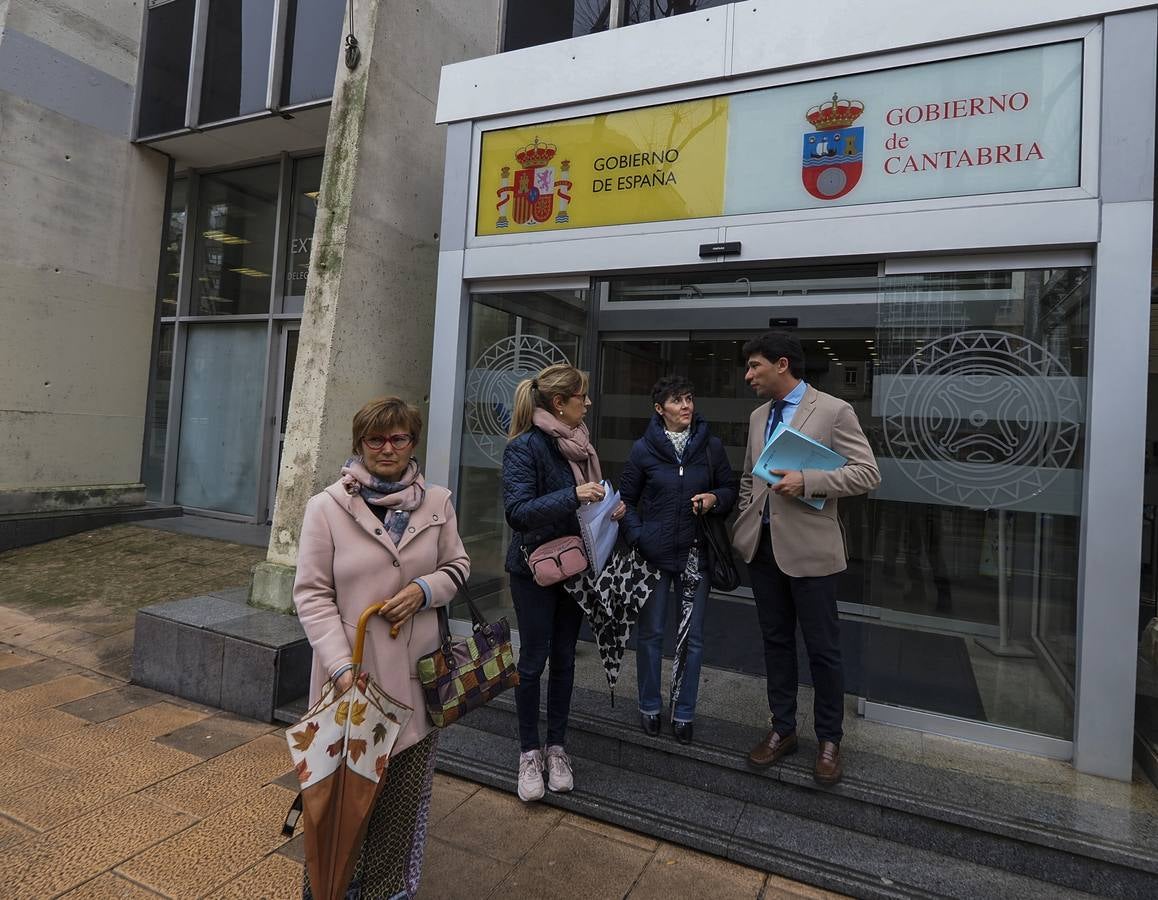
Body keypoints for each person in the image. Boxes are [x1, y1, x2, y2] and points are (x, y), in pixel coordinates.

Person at [294, 397, 470, 899]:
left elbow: (457, 567)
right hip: (351, 686)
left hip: (415, 688)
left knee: (398, 810)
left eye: (398, 439)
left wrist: (424, 590)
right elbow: (311, 594)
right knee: (337, 808)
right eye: (376, 439)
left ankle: (387, 892)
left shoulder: (438, 501)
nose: (387, 448)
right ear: (360, 444)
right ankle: (327, 890)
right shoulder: (327, 507)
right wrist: (341, 666)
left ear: (413, 443)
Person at [731, 332, 880, 786]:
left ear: (781, 364)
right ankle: (783, 729)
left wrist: (808, 480)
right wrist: (744, 518)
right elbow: (747, 476)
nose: (748, 375)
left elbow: (867, 472)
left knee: (823, 649)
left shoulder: (833, 409)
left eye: (754, 366)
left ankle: (829, 740)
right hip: (763, 549)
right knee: (775, 643)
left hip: (811, 553)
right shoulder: (758, 416)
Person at [502, 363, 624, 802]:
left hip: (575, 568)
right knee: (533, 661)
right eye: (581, 397)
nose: (587, 403)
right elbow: (517, 512)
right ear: (559, 403)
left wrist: (609, 507)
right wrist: (575, 496)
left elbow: (584, 506)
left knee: (566, 660)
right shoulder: (526, 447)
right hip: (535, 571)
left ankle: (557, 748)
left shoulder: (581, 444)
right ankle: (528, 753)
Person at [620, 375, 736, 745]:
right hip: (654, 556)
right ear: (659, 410)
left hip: (695, 555)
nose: (686, 405)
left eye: (689, 398)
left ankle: (683, 713)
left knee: (692, 638)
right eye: (676, 401)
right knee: (652, 634)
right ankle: (650, 706)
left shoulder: (710, 448)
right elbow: (625, 501)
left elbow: (730, 490)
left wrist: (714, 499)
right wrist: (640, 536)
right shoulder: (644, 449)